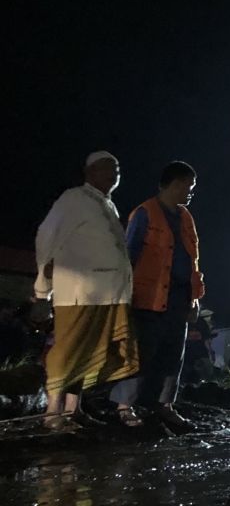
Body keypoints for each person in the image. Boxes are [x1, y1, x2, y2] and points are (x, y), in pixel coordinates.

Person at [34, 152, 140, 430]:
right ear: (89, 171)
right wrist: (42, 288)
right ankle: (52, 414)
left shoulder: (108, 206)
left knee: (87, 353)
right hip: (78, 293)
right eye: (107, 168)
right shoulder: (74, 199)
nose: (114, 174)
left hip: (106, 295)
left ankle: (73, 410)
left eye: (117, 169)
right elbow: (47, 236)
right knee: (67, 351)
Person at [109, 161, 205, 431]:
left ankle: (163, 405)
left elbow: (193, 261)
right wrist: (123, 296)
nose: (190, 192)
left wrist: (194, 298)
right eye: (188, 186)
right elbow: (128, 256)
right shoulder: (145, 213)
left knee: (173, 354)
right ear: (174, 184)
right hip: (148, 297)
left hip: (178, 298)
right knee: (139, 353)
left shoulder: (186, 217)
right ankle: (124, 407)